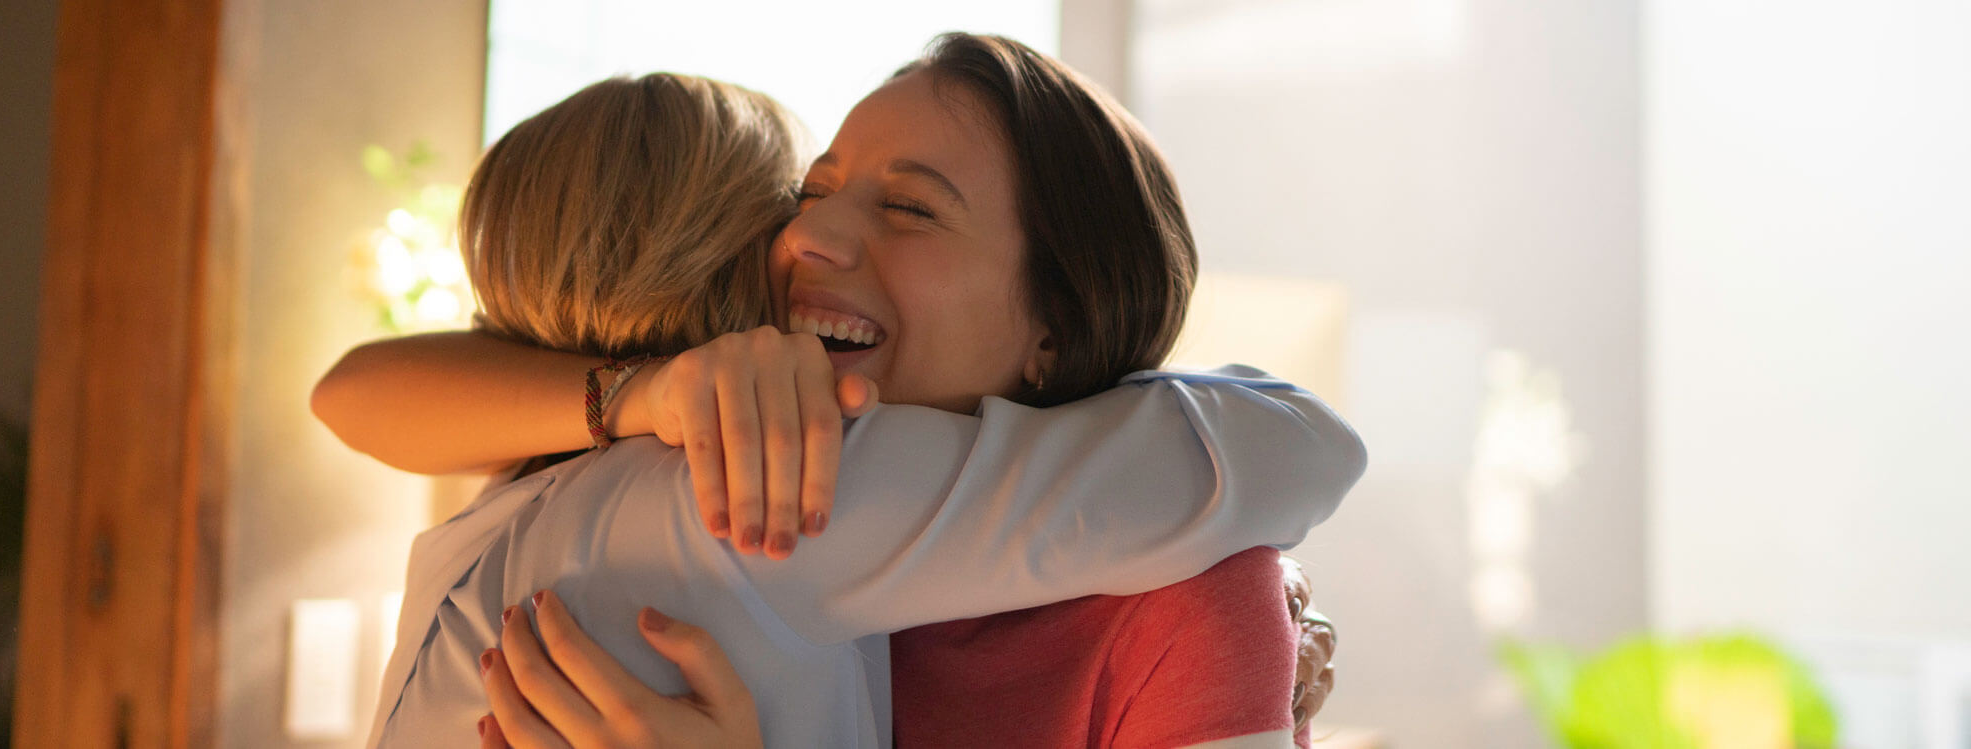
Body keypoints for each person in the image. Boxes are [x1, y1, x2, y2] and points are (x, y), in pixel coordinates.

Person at [316, 36, 1363, 749]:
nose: (808, 235)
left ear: (1056, 320)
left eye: (910, 208)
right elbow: (1290, 446)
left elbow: (354, 392)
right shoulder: (774, 481)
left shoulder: (1181, 599)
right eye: (806, 193)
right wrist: (650, 392)